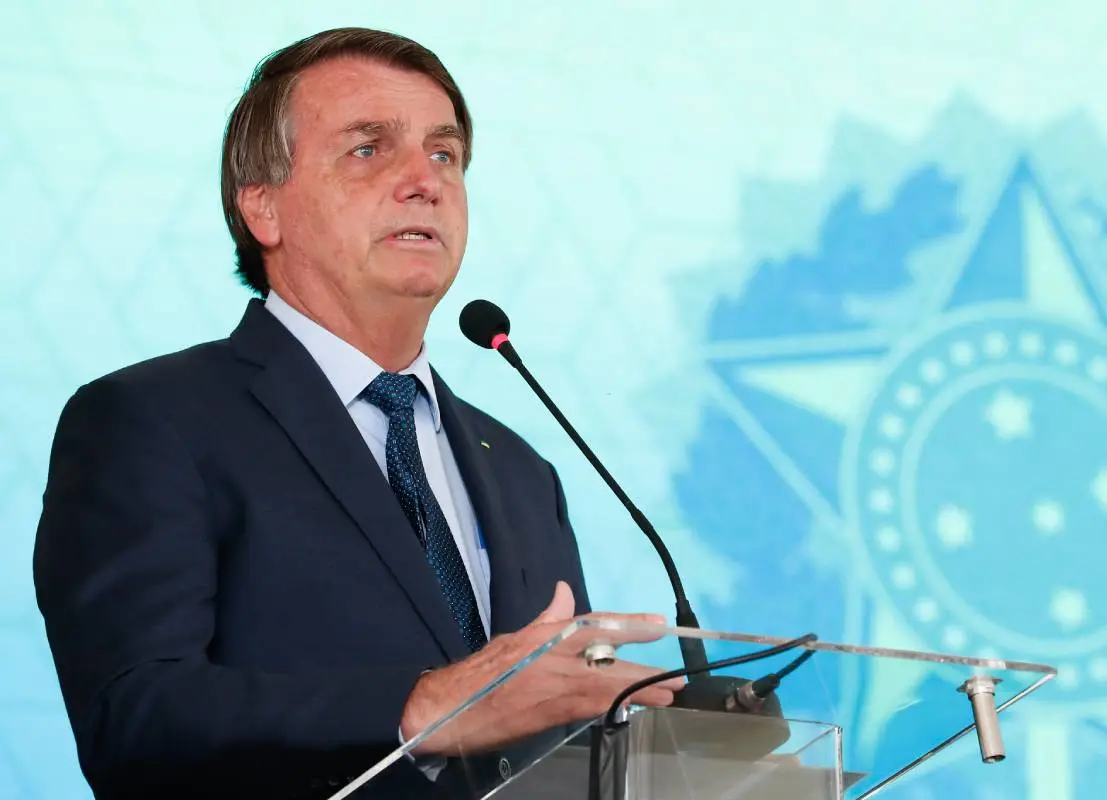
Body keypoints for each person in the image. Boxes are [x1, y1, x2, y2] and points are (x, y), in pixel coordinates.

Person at [33, 27, 680, 800]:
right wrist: (423, 707)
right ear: (263, 208)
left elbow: (554, 735)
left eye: (445, 154)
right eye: (368, 149)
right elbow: (133, 718)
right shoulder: (150, 422)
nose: (425, 181)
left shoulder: (520, 469)